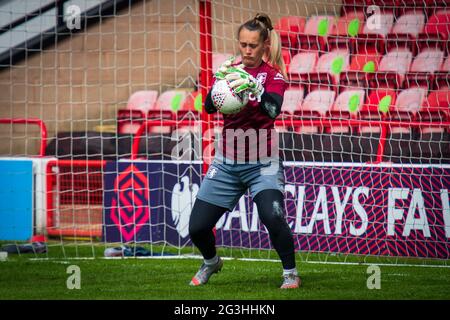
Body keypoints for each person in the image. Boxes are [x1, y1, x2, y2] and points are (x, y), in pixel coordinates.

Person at [188, 13, 300, 289]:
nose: (247, 50)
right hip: (227, 162)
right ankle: (212, 262)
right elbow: (209, 107)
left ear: (264, 45)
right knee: (197, 228)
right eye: (243, 44)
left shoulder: (274, 77)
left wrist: (257, 89)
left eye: (252, 45)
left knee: (272, 216)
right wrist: (218, 86)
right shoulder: (231, 72)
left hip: (263, 163)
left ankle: (290, 273)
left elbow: (272, 111)